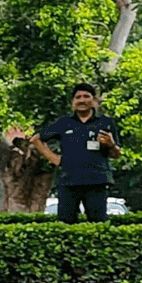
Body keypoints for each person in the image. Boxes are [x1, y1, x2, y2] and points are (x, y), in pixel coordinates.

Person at [29, 83, 122, 222]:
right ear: (72, 101)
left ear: (94, 99)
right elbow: (36, 139)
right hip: (69, 180)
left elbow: (116, 155)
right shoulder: (64, 123)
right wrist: (53, 158)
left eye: (86, 96)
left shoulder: (105, 122)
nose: (82, 100)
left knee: (98, 223)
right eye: (78, 97)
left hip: (97, 180)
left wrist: (111, 144)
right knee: (65, 222)